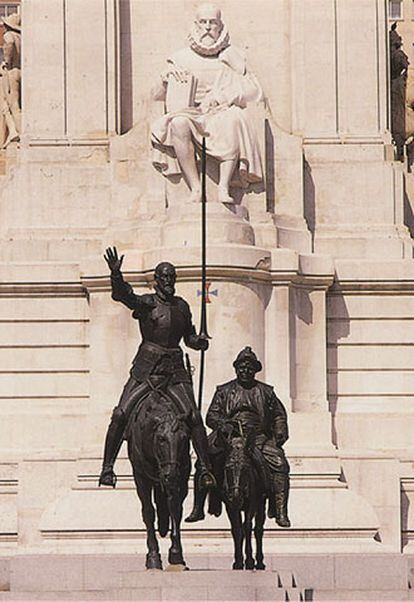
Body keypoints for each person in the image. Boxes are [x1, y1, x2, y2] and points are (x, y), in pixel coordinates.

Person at [99, 247, 215, 490]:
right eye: (164, 277)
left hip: (174, 370)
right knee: (121, 413)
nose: (169, 281)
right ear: (157, 280)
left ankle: (205, 469)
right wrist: (116, 275)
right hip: (146, 370)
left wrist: (199, 342)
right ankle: (107, 467)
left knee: (193, 416)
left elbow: (189, 338)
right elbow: (124, 296)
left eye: (172, 277)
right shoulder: (147, 303)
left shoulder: (182, 306)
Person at [151, 2, 263, 203]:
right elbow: (155, 96)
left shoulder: (232, 56)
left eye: (213, 22)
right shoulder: (180, 58)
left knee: (234, 119)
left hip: (220, 112)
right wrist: (165, 77)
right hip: (191, 112)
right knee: (178, 123)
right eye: (203, 22)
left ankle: (223, 187)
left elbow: (255, 91)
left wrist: (226, 97)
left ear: (220, 26)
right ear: (195, 25)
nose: (208, 27)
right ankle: (195, 187)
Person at [186, 346, 291, 528]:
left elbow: (278, 415)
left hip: (257, 437)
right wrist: (223, 424)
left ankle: (280, 510)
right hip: (228, 436)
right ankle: (198, 508)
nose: (245, 371)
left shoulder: (266, 392)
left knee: (280, 463)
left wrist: (280, 430)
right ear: (236, 369)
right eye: (242, 367)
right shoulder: (224, 391)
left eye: (250, 367)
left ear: (255, 370)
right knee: (203, 461)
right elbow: (212, 415)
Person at [0, 12, 21, 147]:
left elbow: (9, 45)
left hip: (11, 71)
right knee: (10, 105)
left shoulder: (9, 36)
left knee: (13, 106)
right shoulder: (20, 36)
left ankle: (20, 133)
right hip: (20, 70)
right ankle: (13, 130)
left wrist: (5, 62)